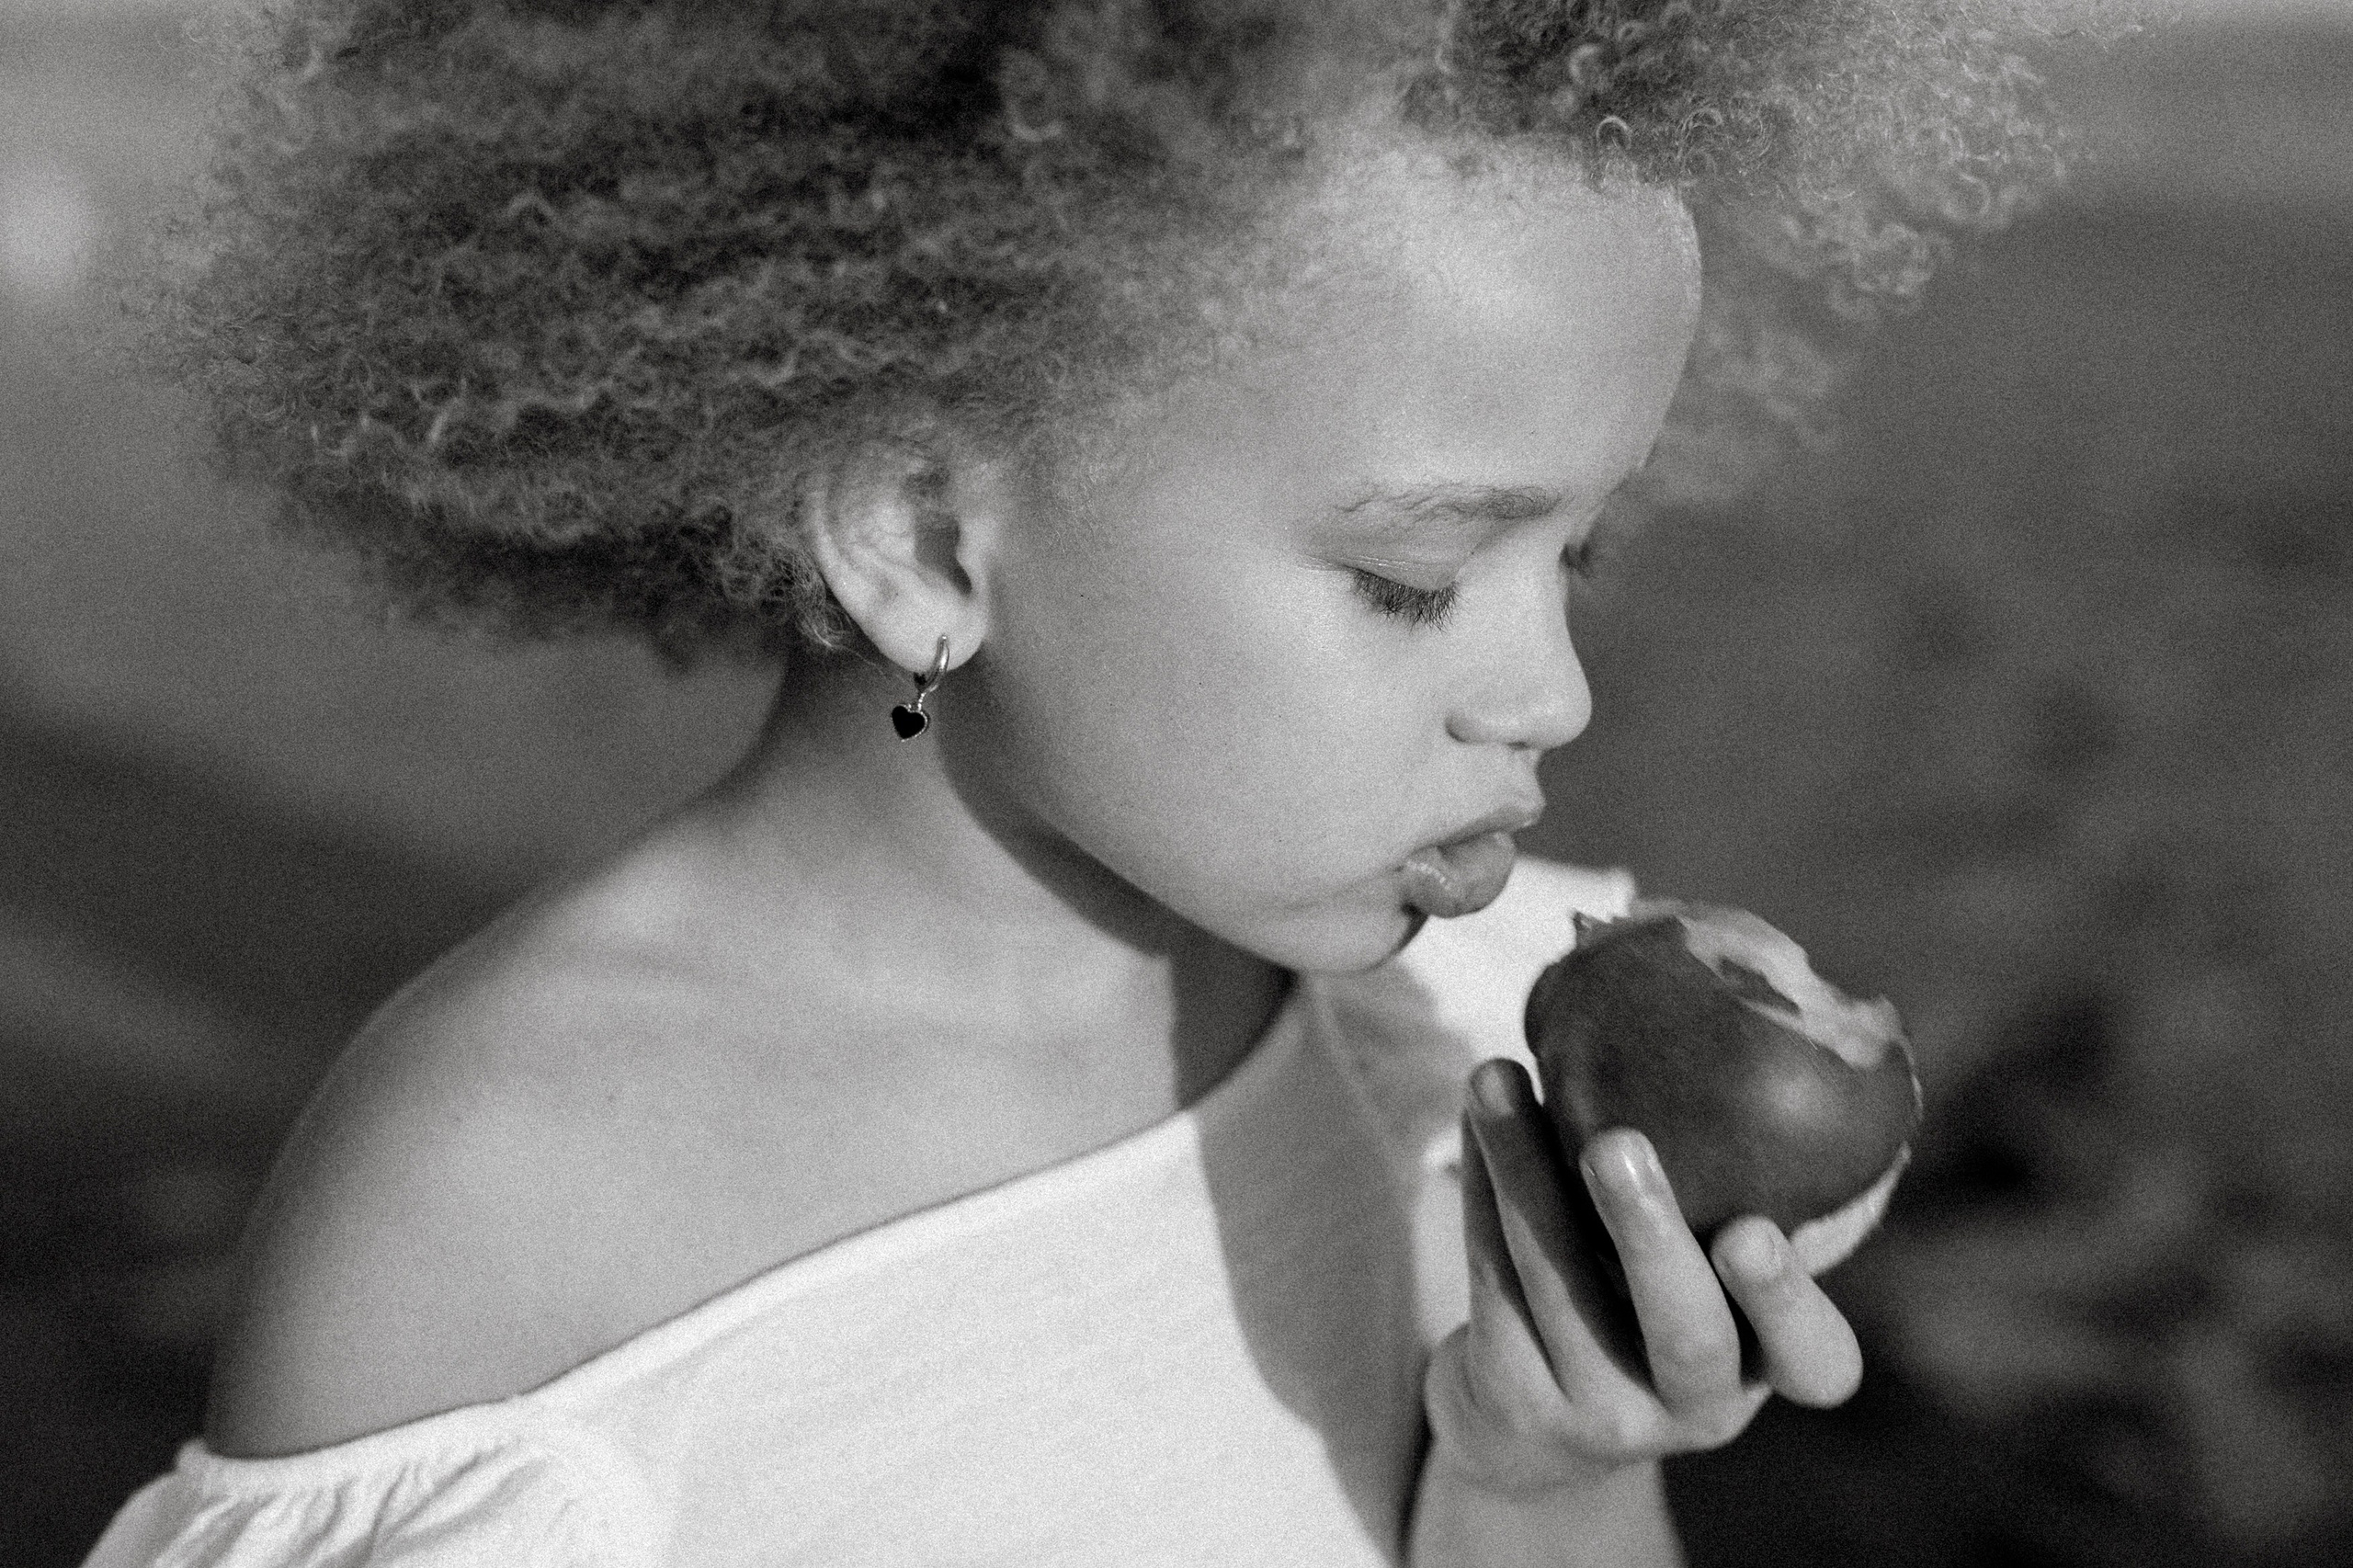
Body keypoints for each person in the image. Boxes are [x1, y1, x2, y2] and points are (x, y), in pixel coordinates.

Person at [85, 1, 2076, 1562]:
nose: (1548, 693)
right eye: (1406, 582)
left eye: (1580, 553)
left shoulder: (1452, 1040)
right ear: (926, 540)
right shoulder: (503, 1220)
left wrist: (1545, 1467)